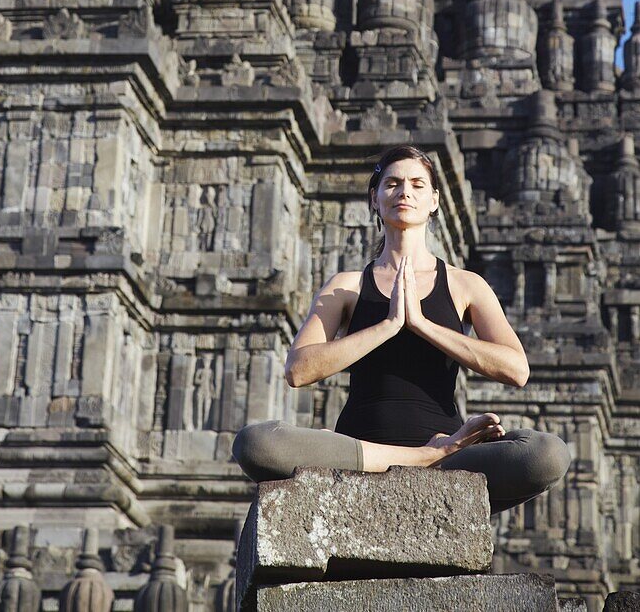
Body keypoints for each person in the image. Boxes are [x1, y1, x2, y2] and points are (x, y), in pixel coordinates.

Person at [233, 144, 570, 514]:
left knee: (547, 454)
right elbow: (298, 370)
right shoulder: (347, 286)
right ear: (374, 200)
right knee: (257, 442)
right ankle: (421, 458)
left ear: (434, 200)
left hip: (452, 455)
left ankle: (429, 457)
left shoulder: (465, 284)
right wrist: (388, 325)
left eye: (416, 184)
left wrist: (422, 324)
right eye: (392, 184)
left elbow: (516, 369)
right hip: (360, 450)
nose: (404, 191)